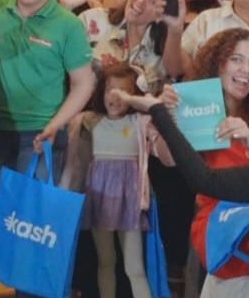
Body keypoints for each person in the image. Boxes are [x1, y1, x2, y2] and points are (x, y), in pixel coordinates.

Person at [122, 28, 249, 298]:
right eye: (236, 59)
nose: (246, 70)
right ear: (218, 63)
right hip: (221, 227)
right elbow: (168, 158)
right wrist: (168, 118)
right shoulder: (195, 104)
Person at [0, 0, 96, 298]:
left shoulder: (67, 24)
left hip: (40, 138)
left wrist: (56, 124)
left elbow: (84, 83)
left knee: (33, 224)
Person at [62, 63, 173, 298]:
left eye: (123, 92)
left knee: (134, 267)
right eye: (110, 90)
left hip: (130, 203)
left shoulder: (141, 122)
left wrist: (148, 97)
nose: (115, 97)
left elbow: (157, 115)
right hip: (99, 199)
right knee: (105, 261)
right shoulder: (89, 120)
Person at [78, 0, 181, 94]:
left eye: (153, 1)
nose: (141, 1)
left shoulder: (165, 50)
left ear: (163, 11)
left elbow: (171, 83)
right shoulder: (92, 19)